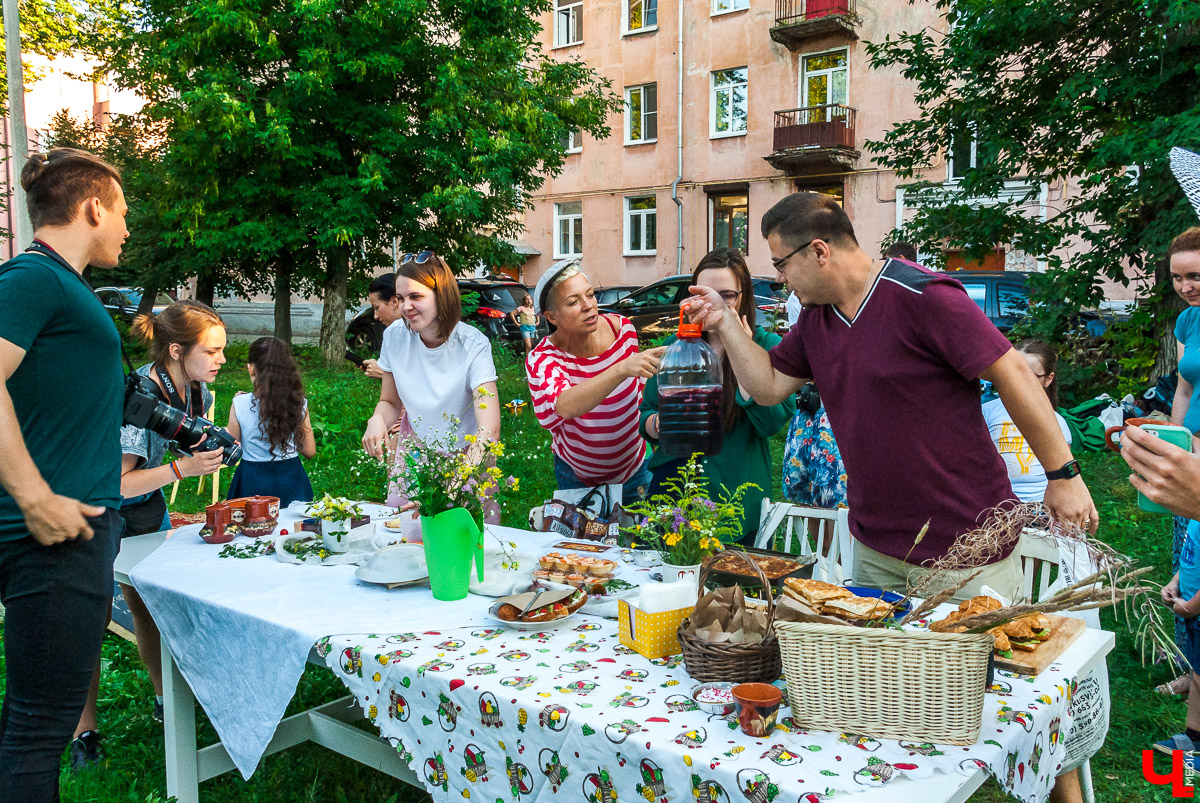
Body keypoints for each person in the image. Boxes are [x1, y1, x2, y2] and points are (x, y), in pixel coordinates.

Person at [684, 192, 1097, 601]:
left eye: (781, 262)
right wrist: (725, 323)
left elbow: (1014, 374)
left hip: (967, 546)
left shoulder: (925, 296)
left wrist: (1064, 476)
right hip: (875, 549)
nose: (779, 277)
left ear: (819, 252)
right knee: (881, 670)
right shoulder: (816, 320)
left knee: (963, 669)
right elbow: (768, 386)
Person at [0, 148, 127, 802]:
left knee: (29, 721)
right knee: (38, 733)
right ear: (93, 207)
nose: (128, 229)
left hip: (73, 528)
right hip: (52, 537)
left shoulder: (63, 287)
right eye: (124, 213)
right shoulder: (33, 278)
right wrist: (34, 494)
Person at [71, 299, 228, 769]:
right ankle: (84, 733)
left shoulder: (197, 389)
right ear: (177, 351)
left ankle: (166, 703)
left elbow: (182, 441)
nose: (222, 359)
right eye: (213, 350)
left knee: (151, 609)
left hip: (148, 508)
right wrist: (183, 468)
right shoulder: (138, 395)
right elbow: (118, 484)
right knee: (92, 619)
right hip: (100, 509)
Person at [639, 249, 794, 541]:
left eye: (725, 296)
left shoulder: (767, 345)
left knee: (734, 585)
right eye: (703, 294)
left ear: (743, 296)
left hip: (735, 498)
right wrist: (662, 424)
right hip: (674, 493)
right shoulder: (676, 346)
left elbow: (772, 421)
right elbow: (646, 413)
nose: (712, 304)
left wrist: (744, 355)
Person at [360, 252, 501, 517]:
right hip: (415, 453)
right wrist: (378, 419)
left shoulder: (473, 345)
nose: (405, 307)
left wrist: (456, 483)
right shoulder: (394, 336)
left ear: (441, 295)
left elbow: (489, 430)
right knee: (406, 536)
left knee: (464, 545)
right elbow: (390, 402)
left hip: (468, 458)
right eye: (400, 299)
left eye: (416, 297)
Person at [526, 258, 666, 504]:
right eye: (573, 302)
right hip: (577, 475)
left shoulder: (623, 330)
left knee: (642, 541)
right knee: (583, 543)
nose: (588, 306)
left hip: (635, 467)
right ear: (552, 317)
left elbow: (639, 398)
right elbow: (565, 405)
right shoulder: (544, 358)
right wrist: (620, 369)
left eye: (590, 295)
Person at [1164, 227, 1200, 696]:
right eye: (1177, 278)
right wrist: (1175, 440)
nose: (1187, 286)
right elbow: (1184, 386)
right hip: (1190, 446)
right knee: (1186, 552)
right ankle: (1190, 668)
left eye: (1196, 275)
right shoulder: (1188, 322)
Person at [226, 336, 316, 506]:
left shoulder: (240, 403)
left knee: (251, 528)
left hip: (251, 482)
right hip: (291, 482)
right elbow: (309, 450)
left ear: (251, 368)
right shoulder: (298, 404)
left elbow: (232, 446)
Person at [983, 339, 1073, 503]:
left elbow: (1064, 474)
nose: (1018, 382)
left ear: (1048, 379)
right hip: (995, 504)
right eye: (1013, 373)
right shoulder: (986, 412)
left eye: (1029, 376)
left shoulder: (1057, 422)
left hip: (1041, 505)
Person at [361, 272, 402, 379]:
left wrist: (384, 373)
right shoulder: (392, 334)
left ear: (394, 302)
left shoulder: (424, 335)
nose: (375, 316)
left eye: (376, 308)